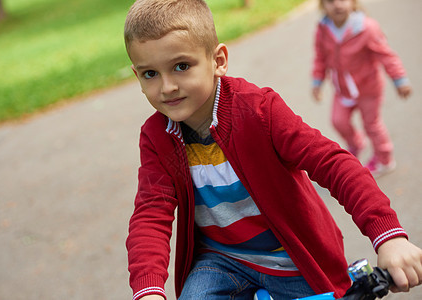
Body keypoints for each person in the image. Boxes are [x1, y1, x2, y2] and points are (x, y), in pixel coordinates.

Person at [124, 0, 422, 299]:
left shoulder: (259, 111)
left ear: (218, 61)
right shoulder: (156, 137)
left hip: (292, 258)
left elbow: (333, 164)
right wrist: (148, 290)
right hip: (220, 261)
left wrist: (388, 237)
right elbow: (150, 214)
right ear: (138, 76)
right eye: (151, 73)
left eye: (181, 66)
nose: (167, 87)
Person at [311, 0, 412, 177]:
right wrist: (317, 82)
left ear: (353, 2)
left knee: (372, 125)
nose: (337, 5)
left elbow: (386, 55)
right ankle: (356, 143)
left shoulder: (367, 28)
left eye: (342, 0)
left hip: (368, 89)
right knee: (338, 121)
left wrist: (400, 79)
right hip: (342, 89)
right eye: (330, 1)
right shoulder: (323, 30)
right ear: (322, 6)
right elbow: (320, 58)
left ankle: (385, 159)